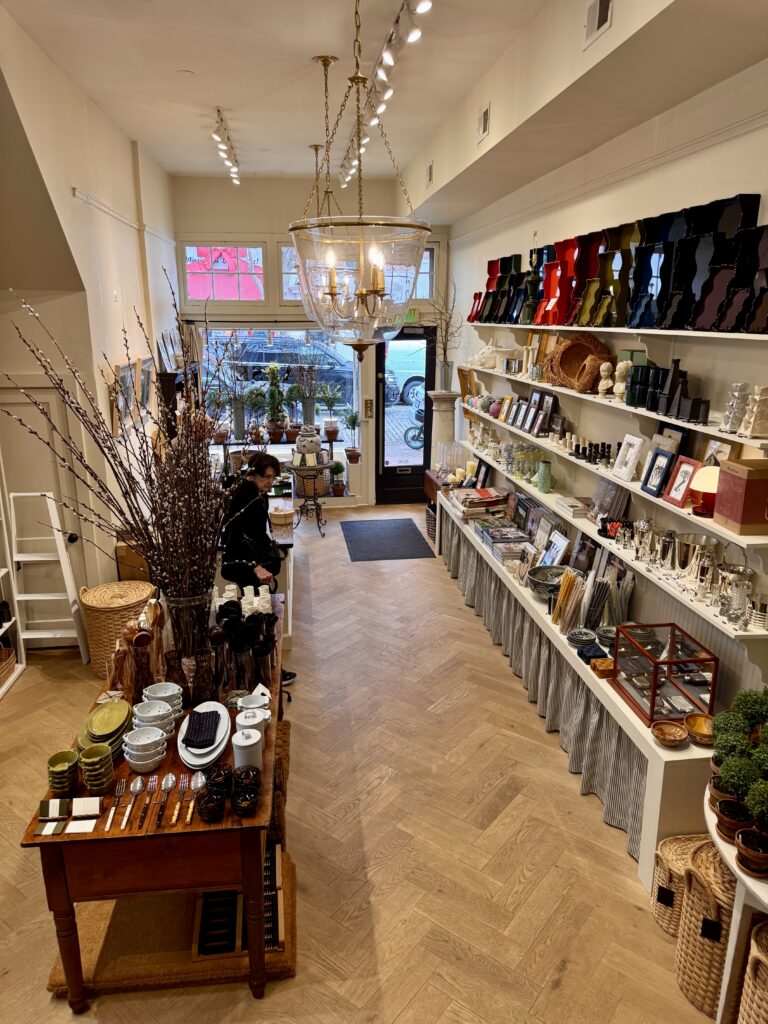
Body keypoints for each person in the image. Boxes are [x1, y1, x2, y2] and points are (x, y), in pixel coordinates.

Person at [222, 452, 296, 685]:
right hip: (246, 566)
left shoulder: (255, 493)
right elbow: (233, 536)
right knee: (258, 617)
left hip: (252, 564)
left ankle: (264, 669)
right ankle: (264, 672)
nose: (270, 482)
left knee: (259, 616)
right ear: (253, 475)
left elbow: (255, 533)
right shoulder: (245, 498)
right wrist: (255, 566)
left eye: (273, 478)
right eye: (266, 477)